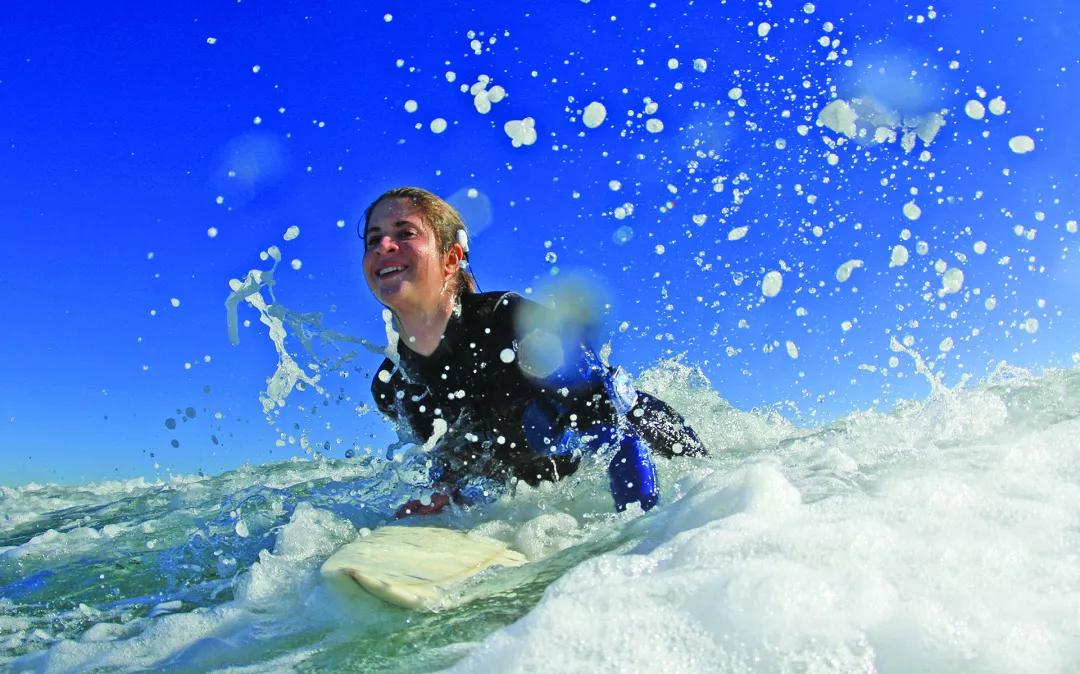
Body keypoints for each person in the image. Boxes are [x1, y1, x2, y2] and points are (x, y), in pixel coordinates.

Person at [361, 187, 706, 517]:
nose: (384, 246)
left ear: (450, 259)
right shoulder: (393, 385)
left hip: (657, 439)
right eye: (373, 239)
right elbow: (455, 457)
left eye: (405, 233)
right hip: (543, 484)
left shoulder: (513, 326)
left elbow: (615, 434)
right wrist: (445, 493)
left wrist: (642, 530)